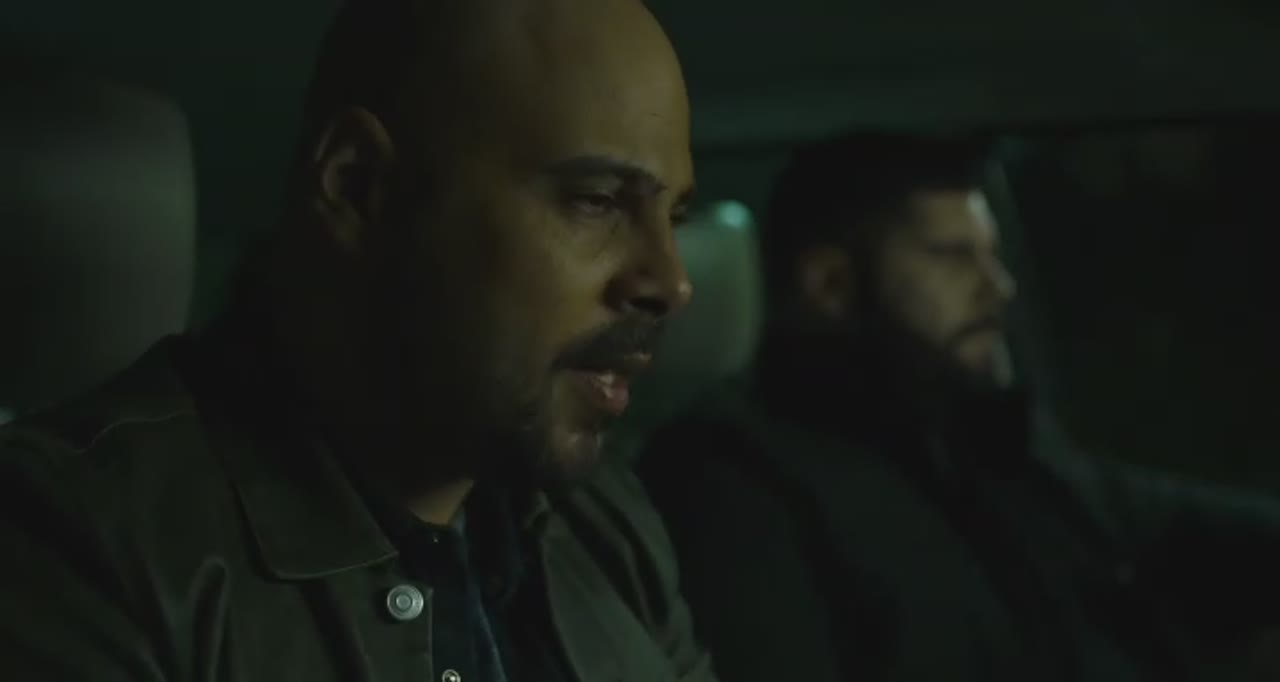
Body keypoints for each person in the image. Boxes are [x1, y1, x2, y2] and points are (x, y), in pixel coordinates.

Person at [0, 0, 716, 680]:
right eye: (596, 200)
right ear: (358, 186)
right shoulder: (69, 547)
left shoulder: (601, 520)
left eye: (675, 217)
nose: (672, 282)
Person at [637, 131, 1280, 682]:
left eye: (992, 256)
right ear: (830, 283)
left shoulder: (991, 442)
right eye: (953, 257)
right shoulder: (731, 479)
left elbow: (1180, 525)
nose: (999, 287)